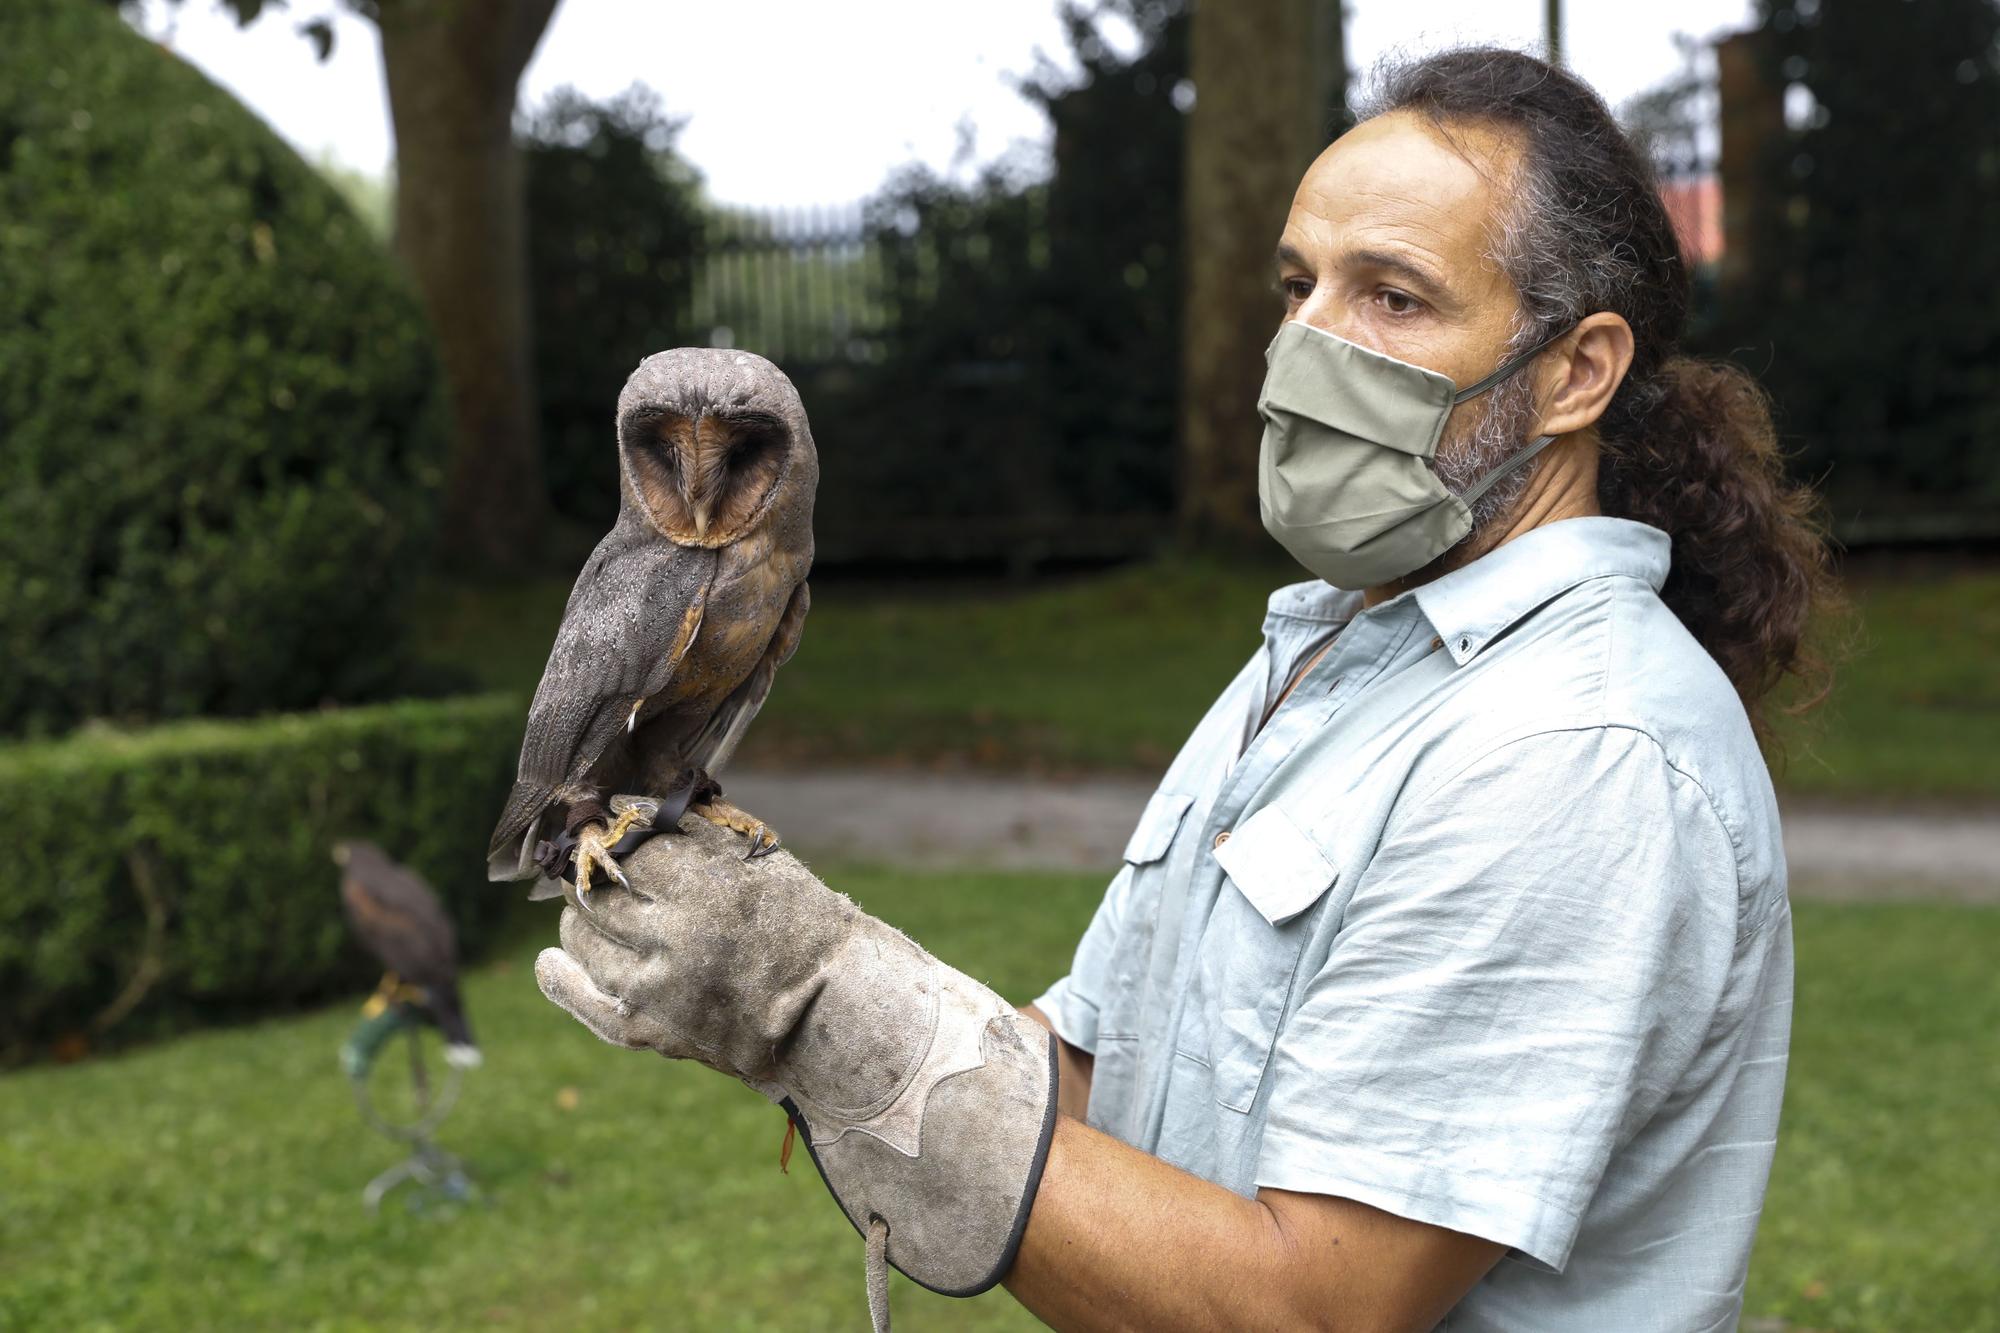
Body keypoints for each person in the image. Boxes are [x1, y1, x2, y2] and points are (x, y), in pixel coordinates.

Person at [533, 47, 1839, 1333]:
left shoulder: (1572, 747)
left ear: (1576, 371)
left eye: (1392, 297)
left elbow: (1311, 1309)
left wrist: (818, 1000)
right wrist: (811, 994)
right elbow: (1092, 1076)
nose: (1308, 341)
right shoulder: (1333, 648)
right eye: (1299, 282)